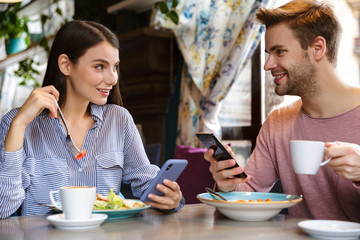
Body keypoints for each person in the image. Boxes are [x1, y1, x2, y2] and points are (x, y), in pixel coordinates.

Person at [0, 20, 184, 218]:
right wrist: (18, 124)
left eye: (115, 67)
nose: (113, 79)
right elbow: (3, 208)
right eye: (99, 66)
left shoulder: (119, 120)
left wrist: (170, 198)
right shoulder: (19, 124)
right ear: (66, 65)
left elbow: (148, 186)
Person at [204, 0, 360, 222]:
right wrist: (226, 183)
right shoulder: (278, 120)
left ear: (318, 48)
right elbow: (247, 193)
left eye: (279, 51)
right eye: (269, 53)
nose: (268, 64)